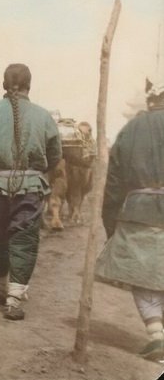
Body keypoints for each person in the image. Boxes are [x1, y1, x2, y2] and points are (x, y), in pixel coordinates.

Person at [0, 63, 61, 320]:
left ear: (4, 84)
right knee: (24, 241)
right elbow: (55, 155)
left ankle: (1, 283)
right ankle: (14, 299)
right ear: (29, 85)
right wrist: (33, 172)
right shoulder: (44, 117)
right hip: (31, 189)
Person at [95, 78, 164, 362]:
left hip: (139, 211)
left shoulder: (131, 129)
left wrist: (111, 223)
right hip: (144, 209)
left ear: (149, 101)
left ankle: (157, 334)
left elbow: (112, 183)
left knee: (143, 272)